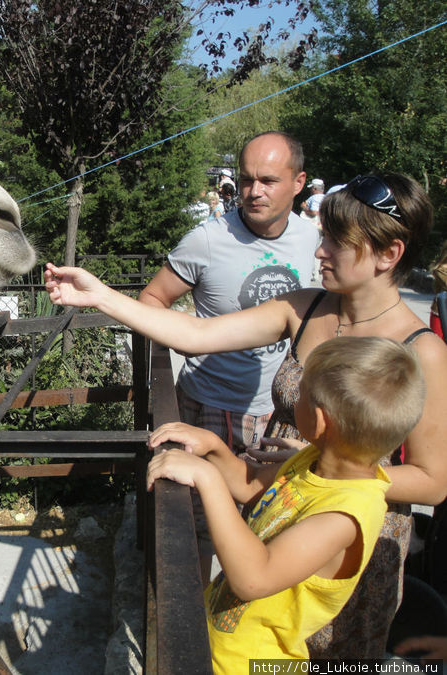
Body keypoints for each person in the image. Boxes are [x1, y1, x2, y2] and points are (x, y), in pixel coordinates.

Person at [45, 171, 447, 658]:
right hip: (278, 501)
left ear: (389, 254)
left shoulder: (421, 351)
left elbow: (432, 480)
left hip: (344, 542)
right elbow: (195, 336)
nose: (320, 252)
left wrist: (325, 461)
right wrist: (102, 296)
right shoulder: (306, 305)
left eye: (337, 242)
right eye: (323, 238)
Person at [146, 336, 425, 672]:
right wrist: (214, 448)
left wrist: (207, 479)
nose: (295, 401)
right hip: (222, 649)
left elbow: (253, 578)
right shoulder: (317, 460)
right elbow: (251, 485)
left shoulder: (345, 515)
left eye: (301, 395)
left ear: (320, 421)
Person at [137, 131, 318, 582]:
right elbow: (152, 299)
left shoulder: (316, 242)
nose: (254, 192)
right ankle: (192, 635)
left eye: (268, 181)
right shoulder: (208, 239)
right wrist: (192, 339)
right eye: (246, 179)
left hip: (280, 416)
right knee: (195, 530)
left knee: (269, 529)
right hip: (206, 407)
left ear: (299, 182)